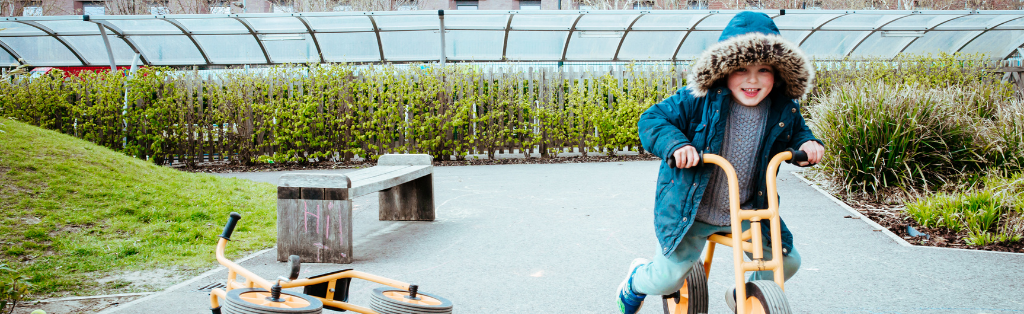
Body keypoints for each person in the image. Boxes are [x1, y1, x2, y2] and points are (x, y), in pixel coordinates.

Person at [616, 11, 825, 314]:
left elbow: (798, 133)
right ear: (724, 70)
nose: (752, 79)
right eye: (741, 69)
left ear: (778, 74)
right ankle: (636, 279)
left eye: (763, 69)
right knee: (667, 279)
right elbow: (653, 119)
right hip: (693, 210)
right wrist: (677, 144)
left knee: (787, 261)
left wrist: (808, 143)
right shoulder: (697, 99)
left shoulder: (783, 108)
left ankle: (744, 295)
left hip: (750, 210)